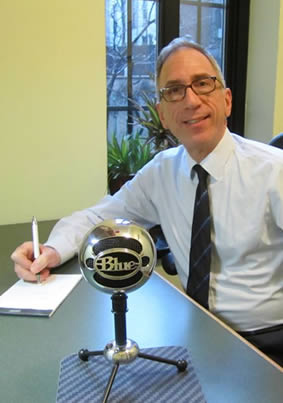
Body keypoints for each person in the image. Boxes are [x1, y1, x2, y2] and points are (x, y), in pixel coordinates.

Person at [11, 37, 283, 366]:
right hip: (194, 330)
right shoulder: (161, 173)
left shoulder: (274, 171)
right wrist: (50, 251)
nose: (191, 100)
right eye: (174, 90)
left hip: (267, 342)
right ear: (163, 114)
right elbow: (96, 218)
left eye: (202, 84)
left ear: (226, 101)